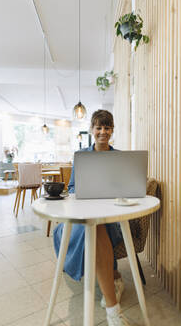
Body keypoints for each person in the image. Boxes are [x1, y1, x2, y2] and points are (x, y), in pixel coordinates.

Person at [54, 110, 133, 326]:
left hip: (110, 218)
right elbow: (71, 188)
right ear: (92, 130)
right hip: (84, 212)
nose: (103, 132)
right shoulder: (82, 157)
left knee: (96, 226)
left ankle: (112, 310)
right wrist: (83, 192)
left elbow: (127, 187)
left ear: (112, 130)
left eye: (107, 127)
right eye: (99, 127)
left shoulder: (119, 158)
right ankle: (113, 283)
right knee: (85, 225)